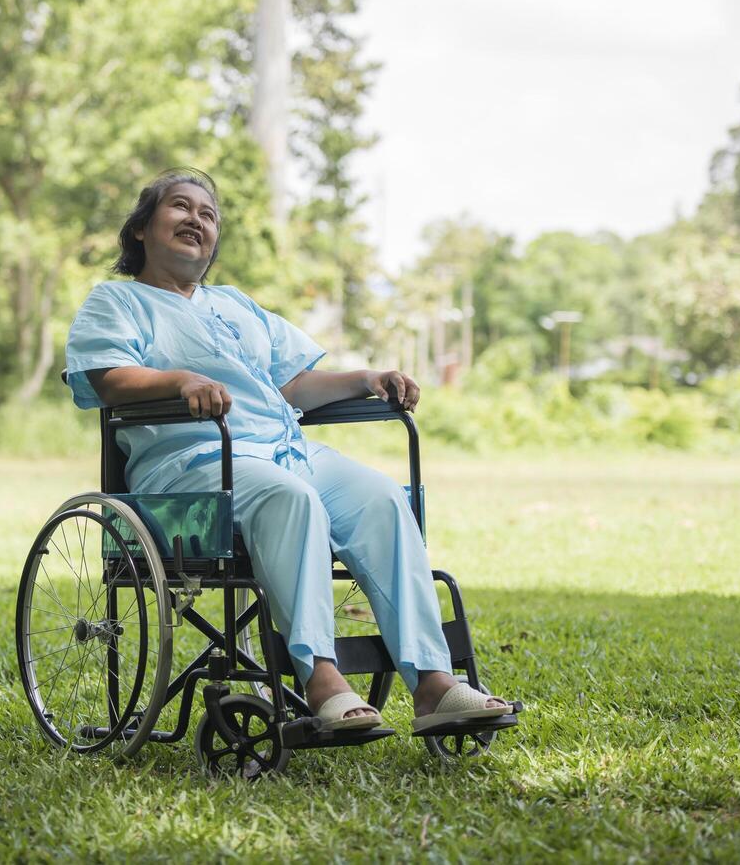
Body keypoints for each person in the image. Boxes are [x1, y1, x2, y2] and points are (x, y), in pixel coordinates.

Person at [65, 167, 510, 732]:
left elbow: (293, 387)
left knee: (378, 495)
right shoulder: (119, 302)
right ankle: (322, 678)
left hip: (284, 450)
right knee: (289, 497)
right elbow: (107, 379)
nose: (196, 221)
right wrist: (179, 381)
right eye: (180, 207)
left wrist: (366, 378)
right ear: (141, 230)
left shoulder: (235, 306)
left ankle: (432, 683)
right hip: (195, 462)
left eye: (208, 215)